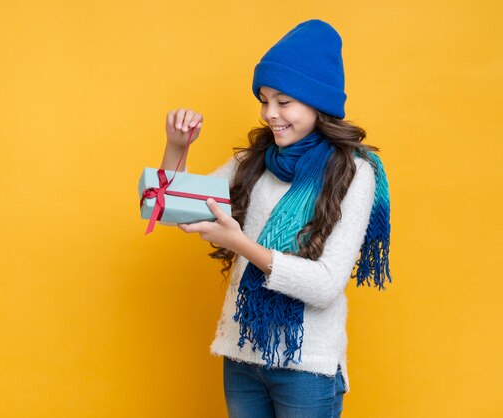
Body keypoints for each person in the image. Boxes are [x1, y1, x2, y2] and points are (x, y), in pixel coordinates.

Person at [159, 19, 392, 418]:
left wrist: (240, 244)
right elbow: (168, 205)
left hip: (306, 367)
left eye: (284, 102)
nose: (270, 114)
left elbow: (324, 285)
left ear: (318, 104)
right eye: (264, 100)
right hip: (241, 352)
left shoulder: (354, 173)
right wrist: (175, 147)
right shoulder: (252, 163)